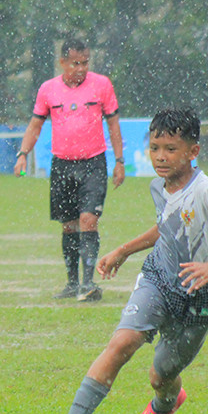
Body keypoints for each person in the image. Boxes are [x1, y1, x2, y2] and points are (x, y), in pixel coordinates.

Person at [50, 108, 208, 414]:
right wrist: (123, 250)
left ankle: (166, 402)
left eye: (170, 149)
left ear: (192, 152)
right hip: (158, 280)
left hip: (198, 301)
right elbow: (167, 227)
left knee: (161, 374)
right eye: (155, 148)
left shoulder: (203, 191)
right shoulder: (161, 187)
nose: (160, 157)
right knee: (122, 342)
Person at [14, 38, 125, 302]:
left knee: (89, 220)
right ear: (62, 62)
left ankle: (88, 283)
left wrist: (119, 161)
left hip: (93, 163)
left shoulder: (102, 85)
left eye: (85, 62)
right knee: (68, 225)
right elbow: (35, 126)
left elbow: (114, 124)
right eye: (75, 63)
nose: (81, 68)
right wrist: (22, 154)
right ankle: (72, 283)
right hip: (62, 165)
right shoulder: (47, 90)